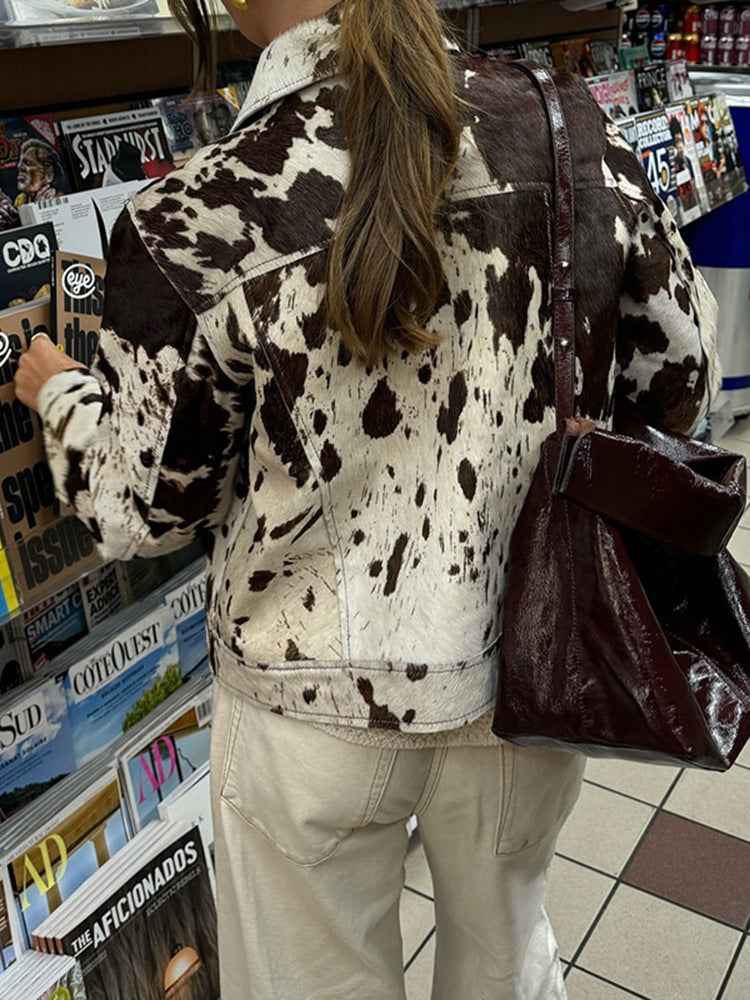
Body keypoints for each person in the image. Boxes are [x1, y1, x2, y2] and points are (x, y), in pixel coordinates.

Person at [14, 1, 720, 997]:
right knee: (508, 960)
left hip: (303, 702)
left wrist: (61, 396)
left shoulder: (196, 210)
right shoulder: (571, 132)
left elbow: (144, 510)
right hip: (529, 659)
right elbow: (683, 380)